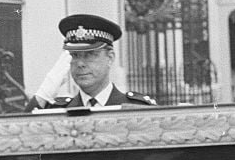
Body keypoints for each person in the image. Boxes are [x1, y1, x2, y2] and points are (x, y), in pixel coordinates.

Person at [27, 14, 157, 110]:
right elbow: (20, 135)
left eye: (90, 54)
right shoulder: (58, 110)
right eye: (75, 55)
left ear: (110, 58)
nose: (80, 63)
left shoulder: (137, 109)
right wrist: (43, 94)